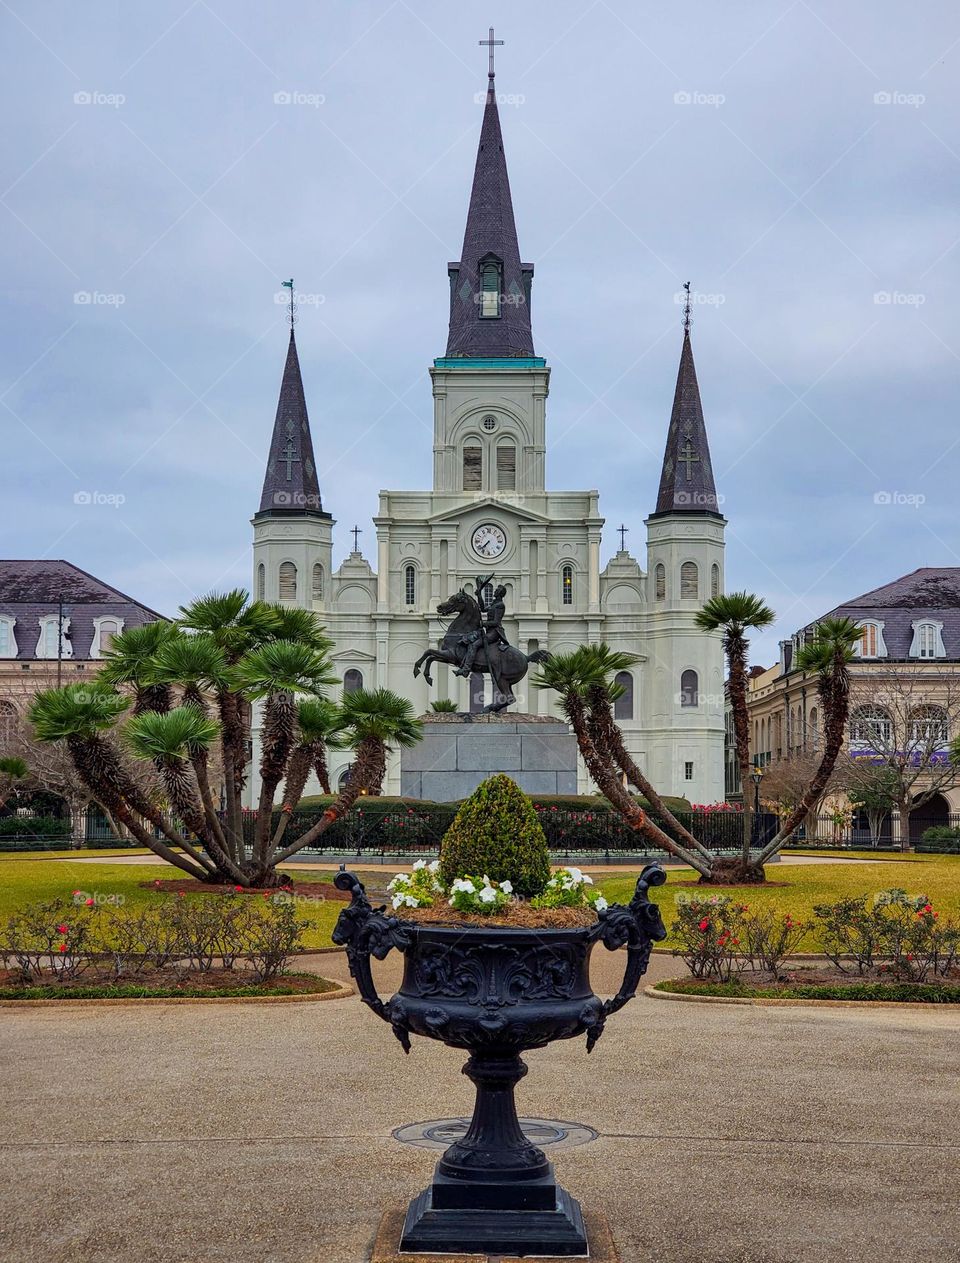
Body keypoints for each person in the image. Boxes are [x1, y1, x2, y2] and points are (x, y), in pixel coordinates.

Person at [454, 575, 509, 676]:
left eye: (497, 590)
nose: (495, 591)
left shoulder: (500, 605)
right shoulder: (494, 604)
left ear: (500, 593)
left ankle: (466, 670)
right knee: (468, 638)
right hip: (488, 631)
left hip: (494, 633)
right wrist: (479, 595)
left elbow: (496, 622)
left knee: (474, 645)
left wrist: (483, 623)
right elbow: (482, 608)